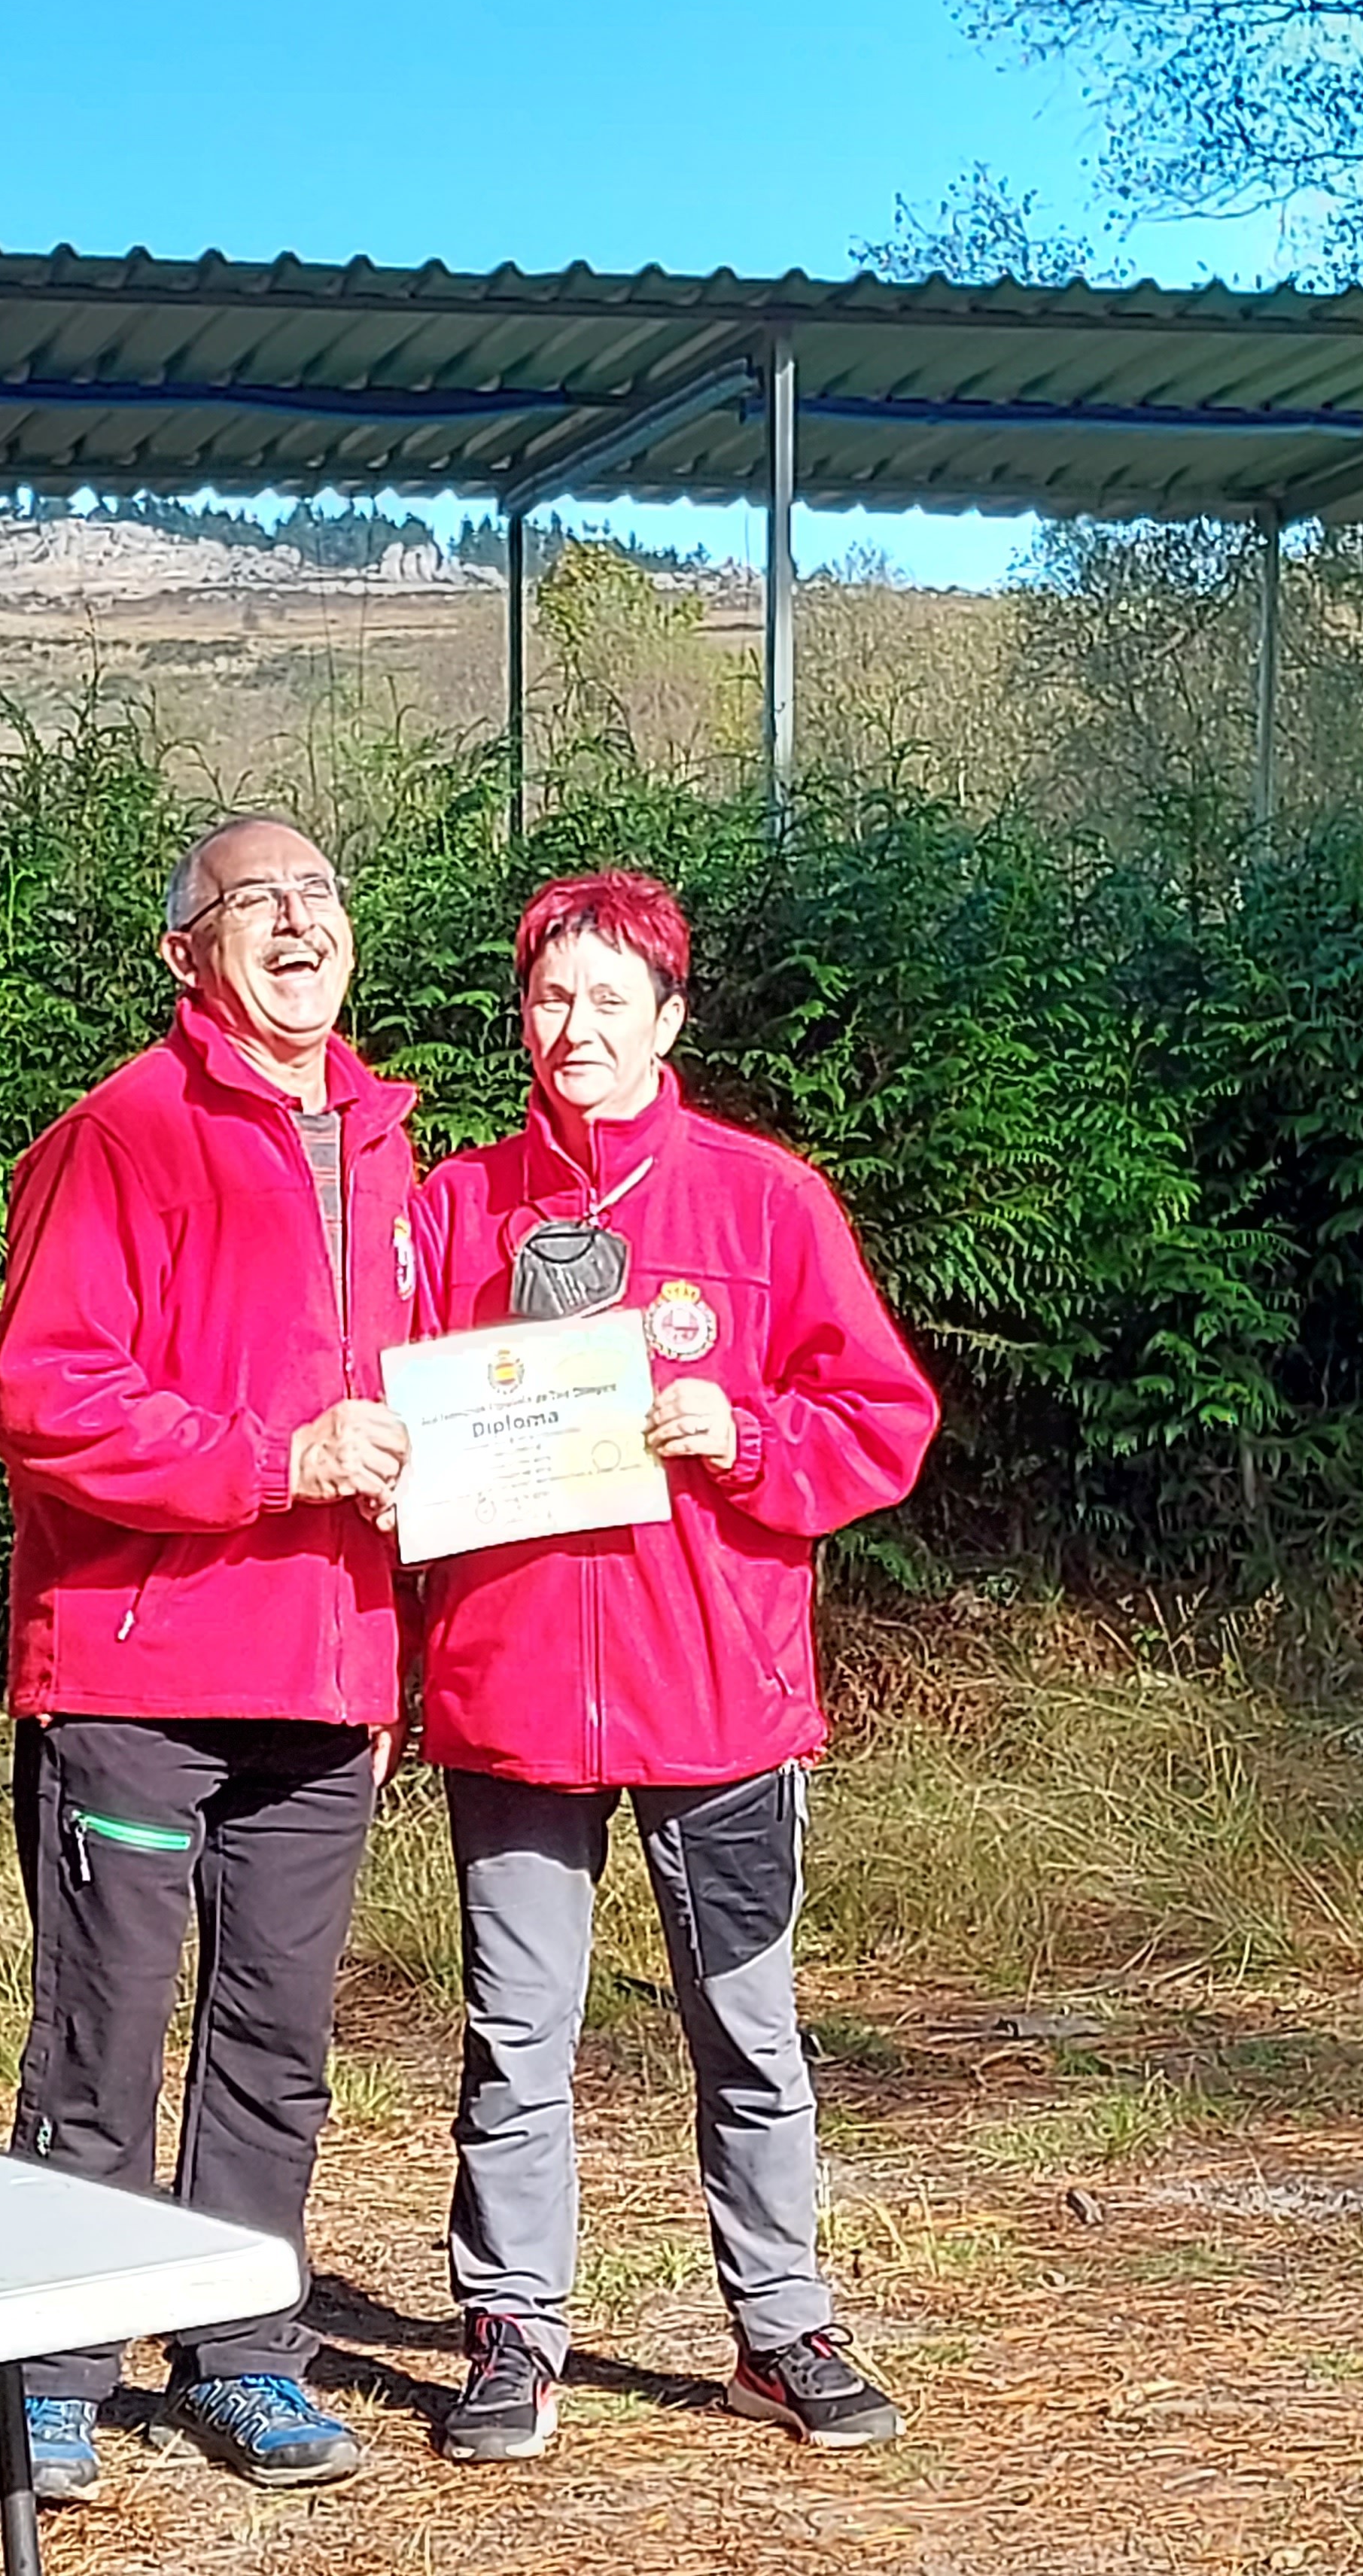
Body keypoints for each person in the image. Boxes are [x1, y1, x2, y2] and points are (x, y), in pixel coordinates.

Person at [408, 868, 939, 2464]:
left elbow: (883, 1422)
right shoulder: (457, 1205)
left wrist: (749, 1430)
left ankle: (780, 2329)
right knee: (516, 2033)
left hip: (715, 1692)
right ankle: (512, 2330)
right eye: (548, 1000)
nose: (571, 1032)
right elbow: (398, 1436)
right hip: (508, 1694)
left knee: (746, 2030)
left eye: (606, 1004)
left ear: (668, 1021)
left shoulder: (766, 1201)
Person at [0, 814, 415, 2501]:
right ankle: (51, 2372)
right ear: (187, 954)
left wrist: (386, 1673)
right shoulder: (119, 1133)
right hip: (136, 1681)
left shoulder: (384, 1147)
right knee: (100, 2035)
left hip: (321, 1690)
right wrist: (271, 1462)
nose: (298, 921)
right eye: (256, 901)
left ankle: (243, 2356)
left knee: (275, 2042)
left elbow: (419, 1435)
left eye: (319, 891)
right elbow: (51, 1404)